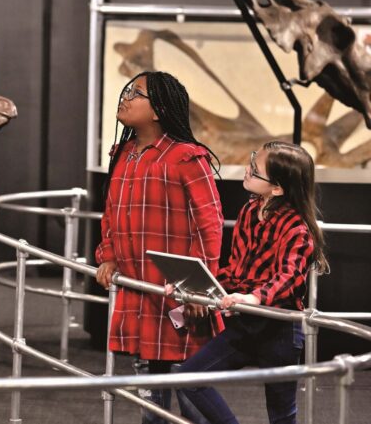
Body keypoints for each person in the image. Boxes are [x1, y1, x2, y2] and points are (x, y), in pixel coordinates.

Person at [94, 71, 224, 424]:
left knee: (191, 393)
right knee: (150, 398)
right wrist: (107, 256)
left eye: (135, 93)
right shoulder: (122, 154)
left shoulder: (187, 157)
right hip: (139, 294)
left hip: (179, 298)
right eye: (126, 91)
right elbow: (110, 214)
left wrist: (197, 289)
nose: (125, 97)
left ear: (158, 110)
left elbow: (209, 225)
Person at [173, 141, 328, 424]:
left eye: (255, 170)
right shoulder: (249, 212)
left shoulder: (297, 228)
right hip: (245, 323)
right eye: (252, 160)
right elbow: (236, 270)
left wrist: (255, 297)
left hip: (279, 329)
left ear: (277, 188)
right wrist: (194, 285)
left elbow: (289, 276)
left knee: (281, 414)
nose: (247, 169)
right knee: (188, 378)